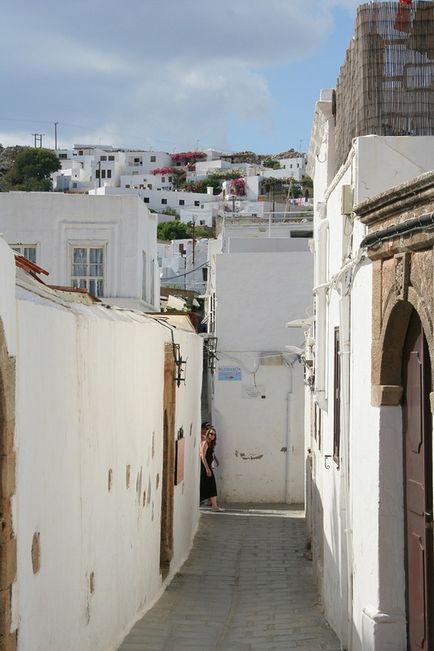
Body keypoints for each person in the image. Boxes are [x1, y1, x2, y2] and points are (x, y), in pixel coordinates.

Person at [200, 427, 222, 511]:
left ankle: (212, 504)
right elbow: (203, 456)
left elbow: (212, 453)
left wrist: (216, 460)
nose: (213, 435)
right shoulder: (205, 443)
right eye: (211, 434)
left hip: (209, 466)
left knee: (209, 485)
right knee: (211, 485)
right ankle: (214, 507)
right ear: (208, 434)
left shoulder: (211, 444)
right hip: (206, 467)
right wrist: (207, 469)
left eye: (214, 434)